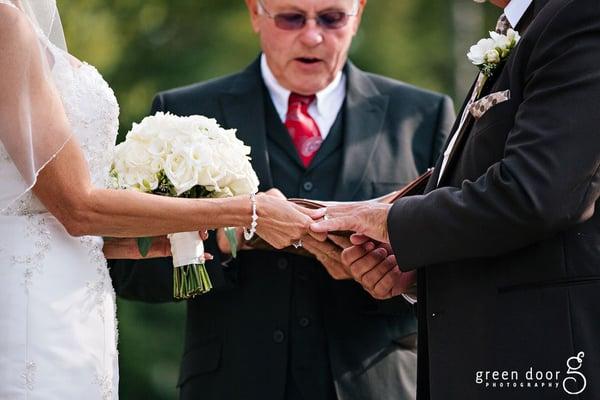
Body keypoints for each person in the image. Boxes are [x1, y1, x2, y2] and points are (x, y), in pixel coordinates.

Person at [109, 0, 454, 399]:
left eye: (332, 18)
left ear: (358, 13)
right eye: (291, 17)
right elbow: (128, 270)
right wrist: (223, 241)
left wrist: (405, 279)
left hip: (377, 384)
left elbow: (457, 265)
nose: (312, 35)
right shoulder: (183, 113)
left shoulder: (423, 117)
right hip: (231, 385)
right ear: (256, 12)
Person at [0, 1, 323, 398]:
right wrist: (247, 209)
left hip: (79, 296)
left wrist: (127, 240)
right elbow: (77, 207)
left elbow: (39, 206)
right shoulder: (5, 23)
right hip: (34, 304)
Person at [311, 0, 600, 399]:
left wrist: (391, 223)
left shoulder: (579, 13)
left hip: (548, 365)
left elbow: (536, 193)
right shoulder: (532, 25)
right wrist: (416, 266)